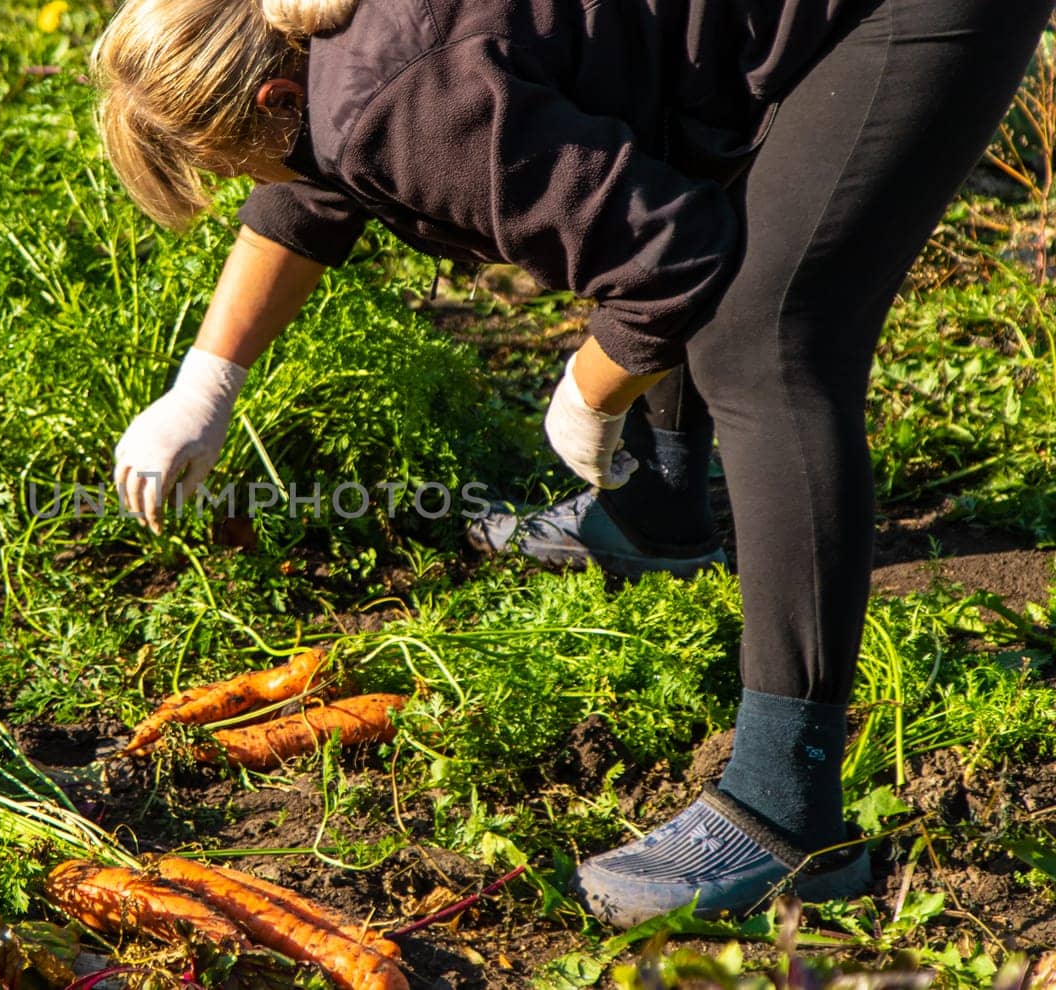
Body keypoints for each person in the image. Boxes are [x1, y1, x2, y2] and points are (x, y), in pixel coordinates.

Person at [94, 0, 1055, 927]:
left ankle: (784, 811)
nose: (236, 182)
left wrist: (590, 390)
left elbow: (674, 255)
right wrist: (203, 385)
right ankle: (659, 517)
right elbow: (309, 183)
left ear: (270, 100)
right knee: (685, 159)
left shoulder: (397, 98)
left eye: (224, 162)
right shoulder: (320, 28)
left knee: (763, 341)